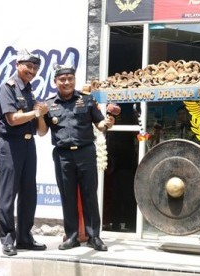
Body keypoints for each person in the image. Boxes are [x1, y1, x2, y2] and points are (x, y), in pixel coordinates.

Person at [37, 64, 115, 251]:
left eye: (70, 79)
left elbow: (100, 124)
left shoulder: (87, 100)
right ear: (55, 82)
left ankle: (93, 236)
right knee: (68, 196)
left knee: (90, 195)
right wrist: (39, 116)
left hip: (85, 152)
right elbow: (41, 132)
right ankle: (71, 236)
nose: (66, 82)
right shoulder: (49, 104)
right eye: (62, 79)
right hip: (63, 155)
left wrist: (109, 122)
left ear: (74, 80)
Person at [0, 49, 48, 256]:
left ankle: (25, 237)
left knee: (29, 194)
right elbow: (12, 119)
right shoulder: (8, 87)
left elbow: (40, 129)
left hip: (28, 145)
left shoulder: (29, 91)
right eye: (29, 66)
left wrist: (40, 114)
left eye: (35, 68)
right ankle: (8, 239)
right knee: (8, 194)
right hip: (10, 145)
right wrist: (36, 112)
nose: (32, 71)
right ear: (18, 65)